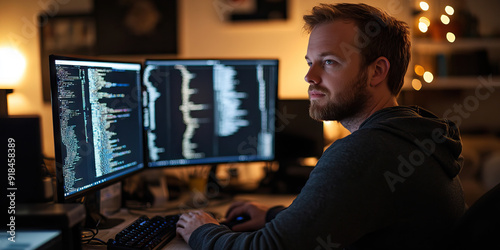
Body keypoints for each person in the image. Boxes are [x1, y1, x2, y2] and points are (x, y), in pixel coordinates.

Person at [176, 3, 465, 249]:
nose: (309, 76)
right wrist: (274, 216)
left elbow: (267, 248)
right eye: (310, 61)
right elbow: (348, 215)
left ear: (376, 71)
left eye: (328, 62)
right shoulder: (407, 134)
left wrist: (201, 230)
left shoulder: (367, 151)